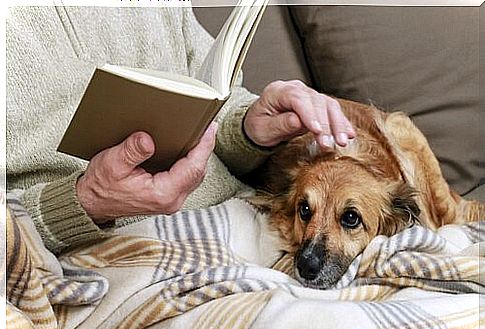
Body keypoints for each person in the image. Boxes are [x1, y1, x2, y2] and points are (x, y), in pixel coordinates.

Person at [6, 5, 354, 256]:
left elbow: (211, 93)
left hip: (258, 219)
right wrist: (87, 202)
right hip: (116, 256)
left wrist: (249, 127)